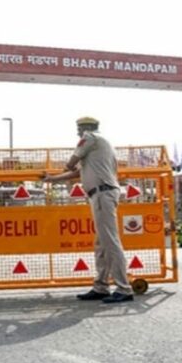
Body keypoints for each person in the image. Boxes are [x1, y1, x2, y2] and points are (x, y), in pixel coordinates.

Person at [42, 117, 134, 303]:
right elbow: (77, 172)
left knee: (111, 242)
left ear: (85, 128)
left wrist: (65, 166)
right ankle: (101, 286)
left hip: (102, 193)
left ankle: (124, 288)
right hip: (100, 193)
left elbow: (72, 163)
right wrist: (52, 179)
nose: (77, 132)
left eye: (78, 129)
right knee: (101, 244)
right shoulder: (98, 146)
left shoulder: (90, 138)